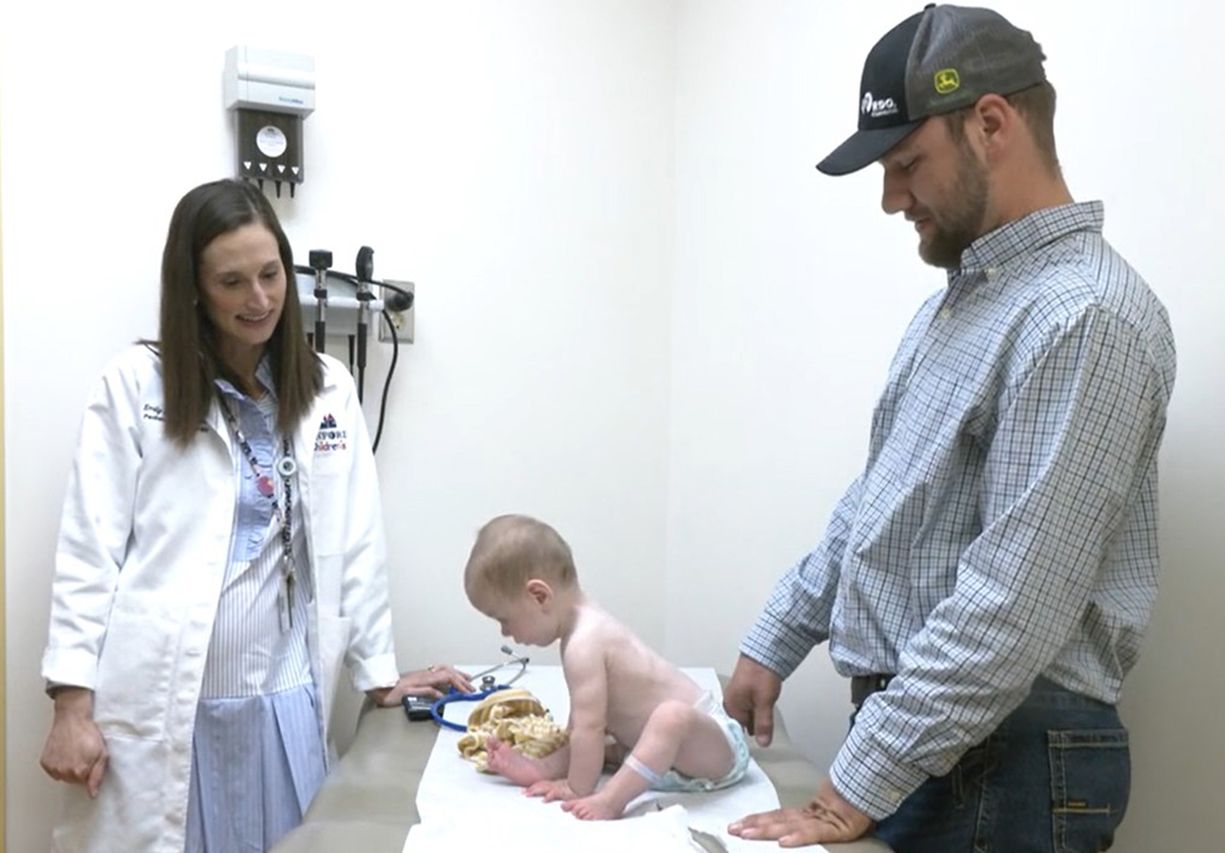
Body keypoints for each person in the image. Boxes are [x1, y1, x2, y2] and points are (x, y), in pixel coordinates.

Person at [723, 5, 1176, 851]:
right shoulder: (964, 307)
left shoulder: (1084, 316)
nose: (893, 198)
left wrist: (849, 786)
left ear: (992, 124)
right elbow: (880, 502)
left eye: (906, 163)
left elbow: (1011, 606)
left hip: (1003, 756)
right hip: (943, 742)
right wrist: (777, 637)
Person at [37, 178, 471, 853]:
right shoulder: (134, 387)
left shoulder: (328, 388)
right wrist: (70, 702)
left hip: (287, 704)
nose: (260, 298)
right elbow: (87, 552)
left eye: (270, 274)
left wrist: (379, 674)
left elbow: (356, 544)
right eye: (232, 281)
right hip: (169, 704)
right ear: (193, 288)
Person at [463, 514, 751, 820]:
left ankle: (613, 800)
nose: (505, 633)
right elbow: (581, 728)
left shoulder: (585, 642)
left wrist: (578, 787)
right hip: (674, 757)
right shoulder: (579, 633)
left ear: (539, 596)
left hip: (715, 750)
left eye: (503, 619)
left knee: (668, 718)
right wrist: (547, 767)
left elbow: (590, 729)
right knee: (597, 738)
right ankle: (540, 769)